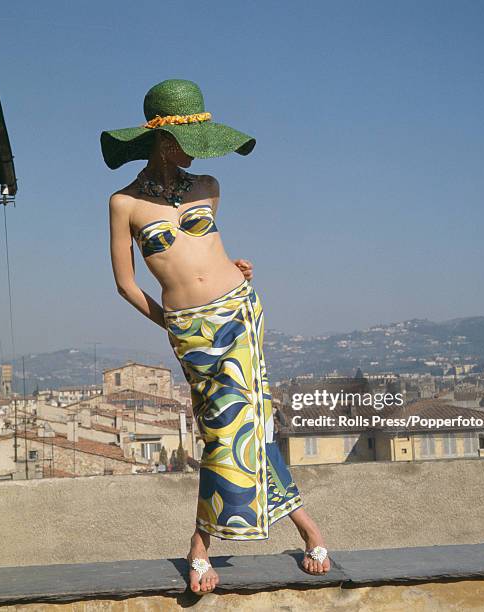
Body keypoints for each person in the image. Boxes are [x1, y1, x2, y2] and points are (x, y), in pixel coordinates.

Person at [101, 79, 330, 594]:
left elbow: (207, 254)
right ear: (164, 143)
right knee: (224, 432)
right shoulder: (123, 204)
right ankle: (301, 528)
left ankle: (202, 548)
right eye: (189, 142)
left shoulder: (208, 186)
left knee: (250, 427)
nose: (197, 154)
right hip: (190, 329)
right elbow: (125, 284)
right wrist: (173, 322)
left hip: (239, 312)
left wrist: (236, 267)